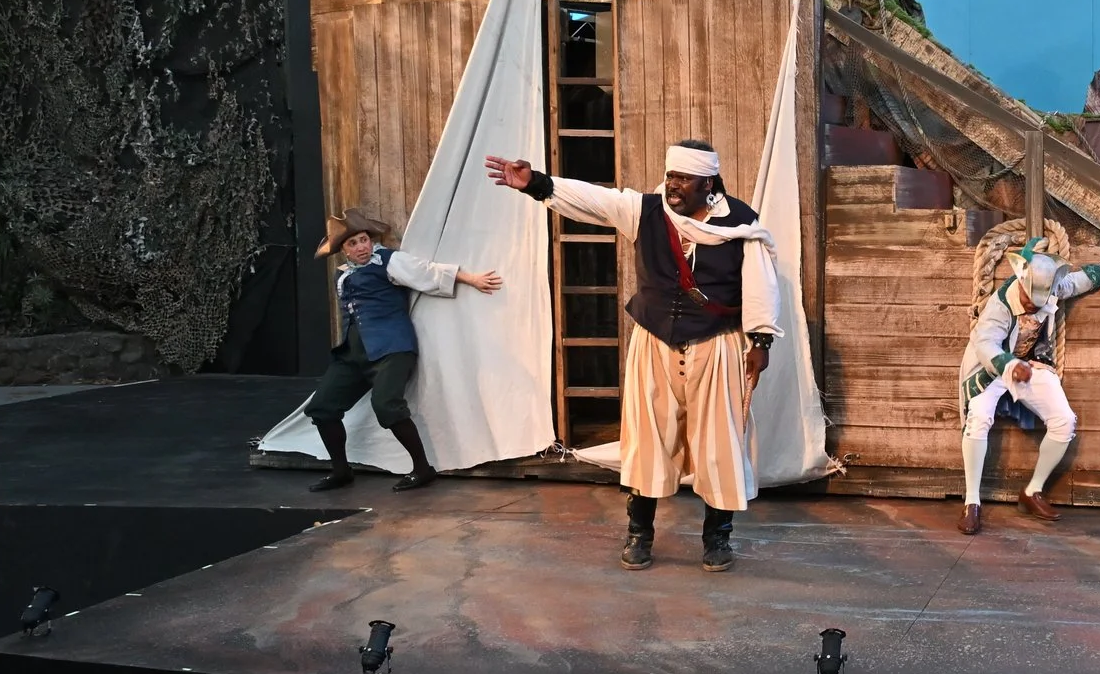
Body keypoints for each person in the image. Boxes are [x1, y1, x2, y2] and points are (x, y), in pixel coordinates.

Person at [487, 140, 778, 572]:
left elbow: (760, 283)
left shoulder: (740, 222)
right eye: (671, 175)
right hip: (654, 342)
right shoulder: (645, 209)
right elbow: (593, 200)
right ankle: (639, 533)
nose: (673, 185)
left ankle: (717, 539)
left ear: (708, 182)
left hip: (715, 344)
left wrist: (761, 342)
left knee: (719, 445)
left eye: (683, 179)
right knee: (647, 440)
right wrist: (536, 184)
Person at [301, 208, 502, 493]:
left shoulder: (389, 261)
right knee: (322, 408)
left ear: (370, 239)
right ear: (343, 250)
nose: (361, 247)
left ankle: (422, 469)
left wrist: (470, 278)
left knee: (386, 405)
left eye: (363, 240)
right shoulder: (342, 274)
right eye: (352, 243)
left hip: (392, 349)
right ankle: (341, 470)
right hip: (353, 354)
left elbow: (427, 272)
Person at [957, 238, 1100, 533]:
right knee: (978, 418)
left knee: (1064, 421)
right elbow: (985, 344)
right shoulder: (999, 305)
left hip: (1032, 364)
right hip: (992, 369)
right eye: (1028, 298)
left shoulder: (1050, 289)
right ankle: (972, 502)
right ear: (1021, 282)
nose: (1031, 304)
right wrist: (1011, 366)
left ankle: (1032, 491)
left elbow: (1078, 281)